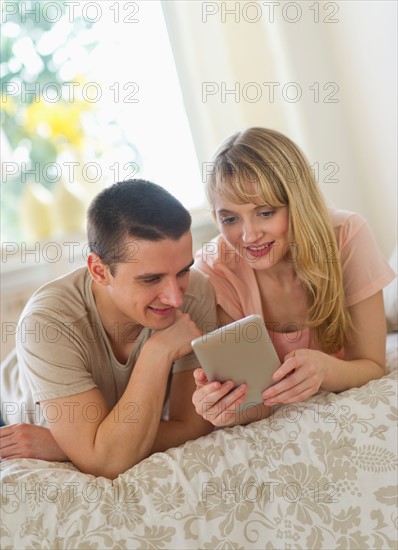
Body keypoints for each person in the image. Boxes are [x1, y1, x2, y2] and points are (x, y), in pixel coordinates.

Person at [0, 179, 217, 479]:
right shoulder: (47, 321)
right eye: (151, 279)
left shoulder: (196, 291)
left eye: (182, 271)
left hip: (80, 431)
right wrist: (158, 351)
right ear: (99, 271)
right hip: (16, 422)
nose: (176, 297)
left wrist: (72, 447)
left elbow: (192, 425)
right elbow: (107, 462)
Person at [192, 127, 396, 427]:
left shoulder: (346, 236)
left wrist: (325, 370)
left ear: (297, 202)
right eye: (230, 219)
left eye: (265, 213)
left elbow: (373, 366)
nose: (248, 235)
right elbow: (256, 404)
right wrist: (220, 407)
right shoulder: (215, 269)